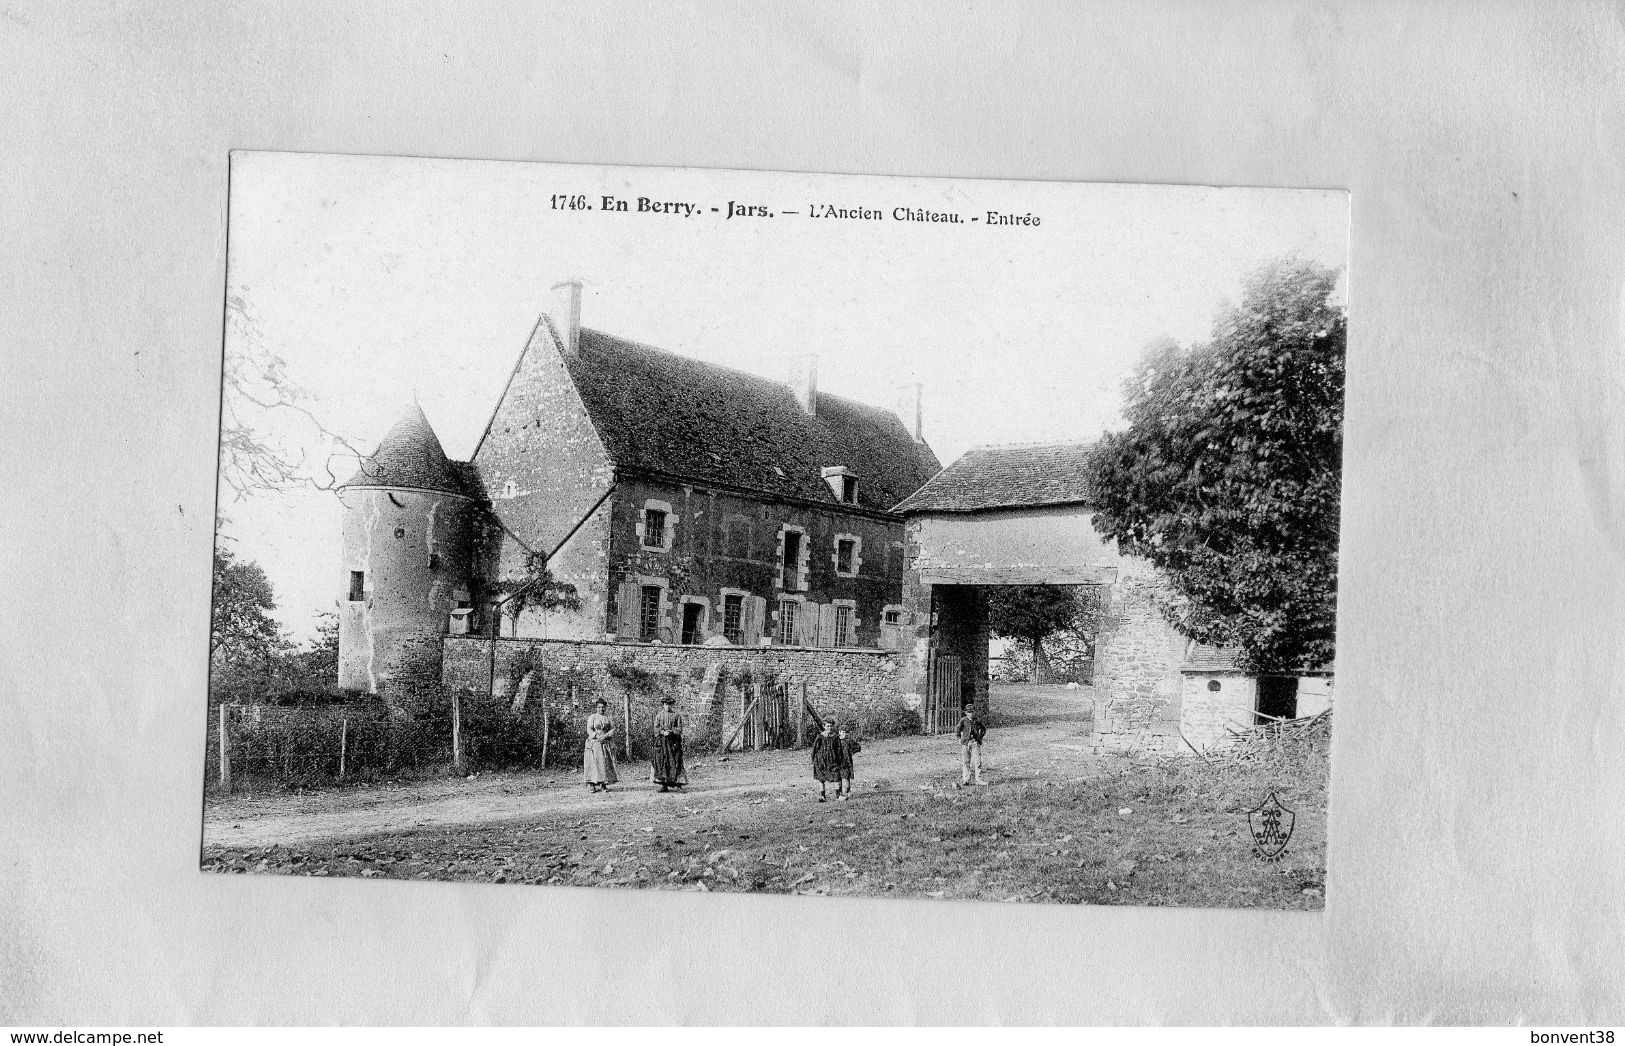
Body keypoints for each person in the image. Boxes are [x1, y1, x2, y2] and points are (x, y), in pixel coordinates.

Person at [651, 694, 686, 792]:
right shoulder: (659, 715)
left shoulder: (676, 715)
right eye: (666, 704)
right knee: (662, 761)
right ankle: (664, 785)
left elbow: (680, 728)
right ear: (663, 705)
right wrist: (663, 732)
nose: (668, 706)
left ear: (672, 705)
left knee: (675, 761)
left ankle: (678, 784)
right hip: (662, 742)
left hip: (673, 742)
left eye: (670, 704)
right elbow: (655, 728)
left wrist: (672, 731)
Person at [583, 698, 617, 793]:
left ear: (605, 708)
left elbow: (612, 729)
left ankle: (603, 784)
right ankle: (591, 784)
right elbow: (589, 729)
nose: (601, 709)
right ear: (596, 708)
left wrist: (605, 736)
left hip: (605, 742)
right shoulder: (592, 717)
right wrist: (597, 736)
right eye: (599, 707)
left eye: (603, 707)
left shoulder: (608, 717)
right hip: (594, 743)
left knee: (605, 763)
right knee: (593, 763)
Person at [809, 717, 843, 802]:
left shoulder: (835, 737)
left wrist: (840, 758)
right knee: (821, 778)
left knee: (836, 777)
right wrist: (814, 758)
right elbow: (815, 748)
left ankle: (838, 795)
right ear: (824, 726)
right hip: (821, 761)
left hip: (833, 760)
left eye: (831, 726)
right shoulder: (820, 736)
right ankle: (822, 796)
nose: (829, 728)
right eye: (828, 726)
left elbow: (839, 749)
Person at [955, 699, 986, 787]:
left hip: (975, 742)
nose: (971, 714)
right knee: (966, 761)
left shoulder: (976, 720)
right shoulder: (963, 720)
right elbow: (957, 730)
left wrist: (980, 737)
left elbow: (983, 729)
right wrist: (959, 738)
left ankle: (978, 779)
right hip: (965, 743)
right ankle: (966, 779)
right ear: (965, 712)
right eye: (969, 712)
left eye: (972, 712)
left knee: (977, 761)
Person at [836, 722, 862, 800]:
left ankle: (847, 791)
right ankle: (840, 793)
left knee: (846, 776)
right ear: (839, 732)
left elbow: (858, 747)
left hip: (847, 761)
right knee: (838, 777)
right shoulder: (836, 740)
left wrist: (852, 752)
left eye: (846, 733)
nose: (844, 734)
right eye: (843, 732)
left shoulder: (849, 740)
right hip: (838, 761)